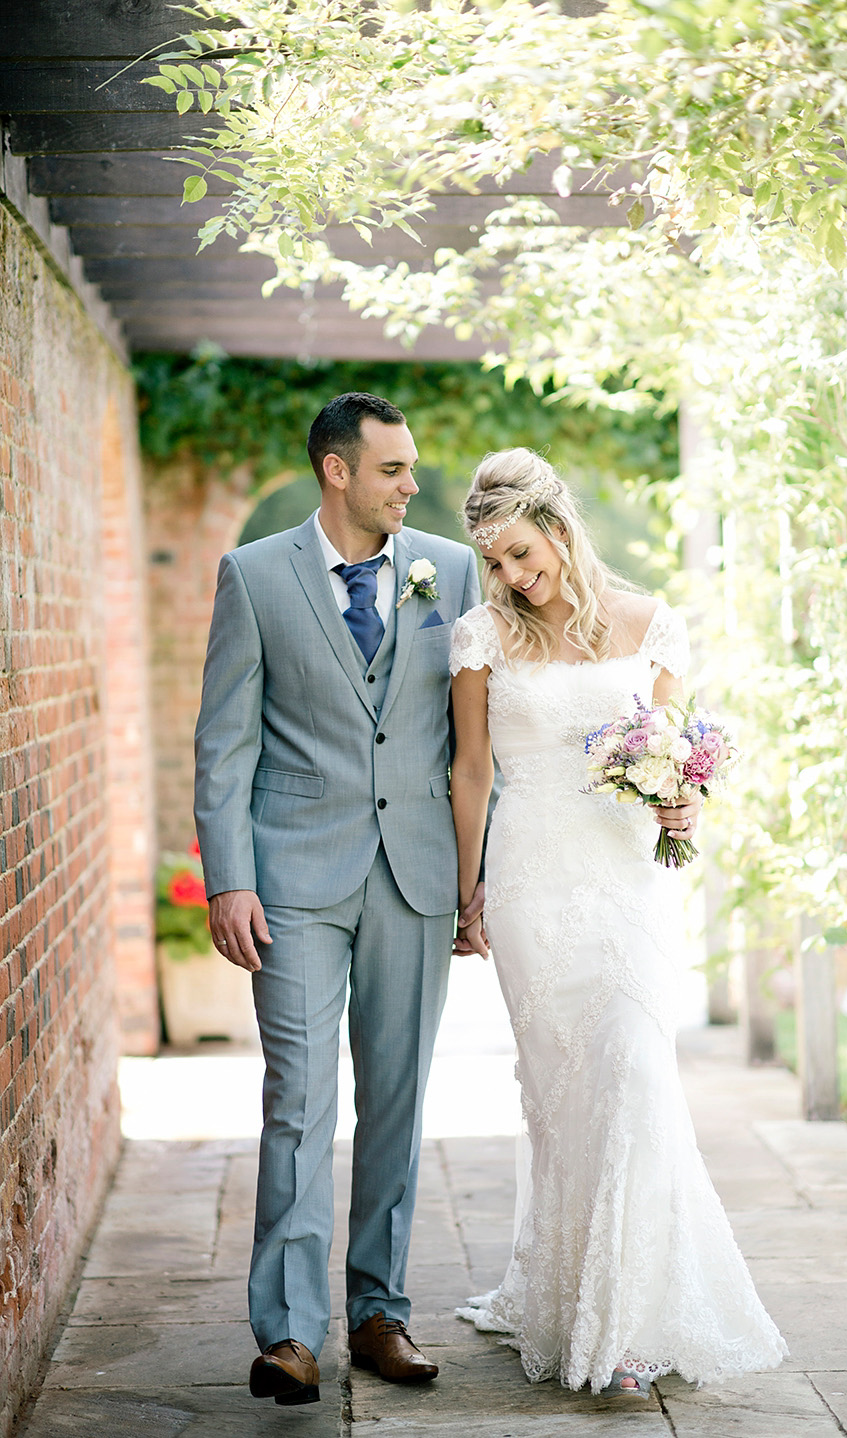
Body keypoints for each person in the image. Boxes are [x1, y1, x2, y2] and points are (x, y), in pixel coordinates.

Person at [448, 448, 787, 1394]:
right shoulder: (479, 636)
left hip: (626, 879)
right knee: (563, 1101)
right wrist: (464, 889)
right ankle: (568, 1297)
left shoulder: (652, 622)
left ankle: (629, 1324)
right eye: (497, 562)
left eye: (522, 552)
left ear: (557, 528)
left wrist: (682, 804)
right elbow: (471, 771)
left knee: (637, 1074)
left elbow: (668, 757)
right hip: (528, 881)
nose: (514, 577)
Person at [194, 393, 485, 1405]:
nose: (413, 485)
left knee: (398, 1103)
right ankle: (285, 1334)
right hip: (293, 878)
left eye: (411, 469)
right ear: (337, 471)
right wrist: (229, 874)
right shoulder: (256, 575)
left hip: (414, 872)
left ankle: (379, 1312)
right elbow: (225, 739)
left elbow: (472, 741)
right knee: (299, 1099)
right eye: (394, 470)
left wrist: (477, 877)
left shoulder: (448, 571)